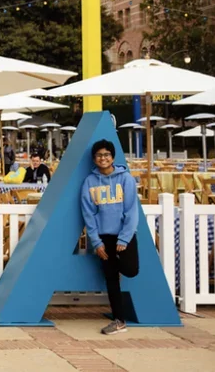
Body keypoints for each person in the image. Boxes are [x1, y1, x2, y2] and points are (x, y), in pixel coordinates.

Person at [81, 140, 139, 336]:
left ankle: (116, 263)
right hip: (103, 237)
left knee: (131, 270)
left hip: (124, 235)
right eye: (99, 155)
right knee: (111, 279)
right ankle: (119, 320)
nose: (103, 158)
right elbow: (88, 213)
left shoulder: (126, 179)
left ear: (113, 157)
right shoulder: (89, 182)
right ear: (94, 159)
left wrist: (123, 240)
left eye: (106, 154)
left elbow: (132, 211)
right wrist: (96, 242)